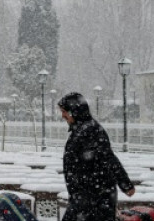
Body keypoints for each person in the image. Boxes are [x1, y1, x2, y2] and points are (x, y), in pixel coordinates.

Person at [57, 92, 135, 221]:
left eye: (65, 111)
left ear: (75, 111)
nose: (63, 115)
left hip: (94, 199)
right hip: (86, 198)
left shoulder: (90, 131)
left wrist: (125, 184)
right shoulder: (81, 130)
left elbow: (108, 158)